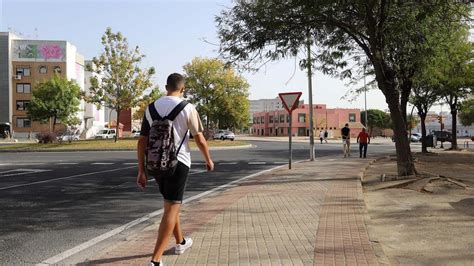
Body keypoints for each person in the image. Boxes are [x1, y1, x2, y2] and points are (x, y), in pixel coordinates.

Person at [137, 73, 214, 266]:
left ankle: (180, 242)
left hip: (155, 163)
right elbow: (200, 138)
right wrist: (208, 160)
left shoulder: (150, 108)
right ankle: (155, 261)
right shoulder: (188, 108)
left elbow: (142, 141)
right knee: (171, 209)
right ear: (183, 89)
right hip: (178, 163)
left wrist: (141, 170)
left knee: (171, 204)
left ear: (166, 86)